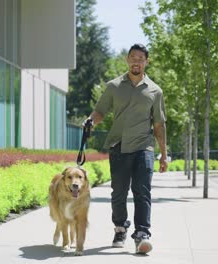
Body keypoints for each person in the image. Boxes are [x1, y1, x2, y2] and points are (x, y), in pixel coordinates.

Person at [83, 43, 168, 254]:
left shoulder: (155, 91)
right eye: (133, 57)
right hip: (118, 145)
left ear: (146, 62)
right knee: (118, 193)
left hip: (144, 147)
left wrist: (164, 154)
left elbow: (159, 124)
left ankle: (142, 234)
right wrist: (91, 122)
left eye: (141, 58)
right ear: (127, 60)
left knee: (142, 191)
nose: (136, 61)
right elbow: (100, 110)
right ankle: (120, 228)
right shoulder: (114, 86)